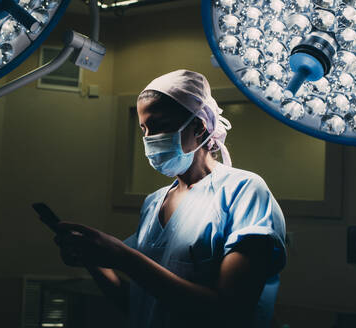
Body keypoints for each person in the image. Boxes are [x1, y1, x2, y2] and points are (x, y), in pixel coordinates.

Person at [51, 69, 287, 328]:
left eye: (160, 125)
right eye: (144, 129)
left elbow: (229, 312)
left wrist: (123, 257)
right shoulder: (154, 203)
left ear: (198, 126)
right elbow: (138, 304)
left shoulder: (244, 191)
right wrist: (92, 258)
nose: (149, 138)